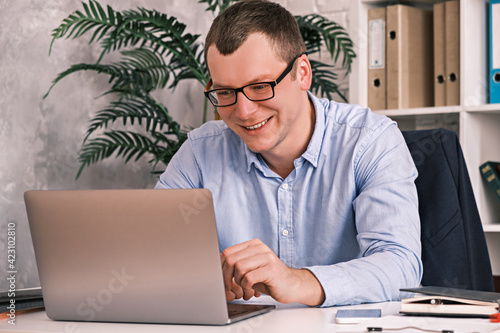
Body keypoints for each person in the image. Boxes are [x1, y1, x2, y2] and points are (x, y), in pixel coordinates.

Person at [155, 0, 422, 307]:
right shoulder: (200, 153)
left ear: (303, 74)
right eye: (226, 92)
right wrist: (201, 280)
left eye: (260, 86)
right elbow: (151, 252)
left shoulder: (371, 141)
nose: (244, 111)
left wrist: (297, 281)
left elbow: (401, 268)